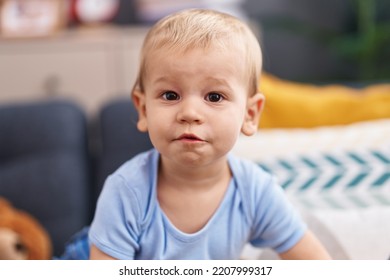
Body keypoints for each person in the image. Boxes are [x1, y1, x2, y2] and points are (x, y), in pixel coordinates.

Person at [89, 8, 331, 260]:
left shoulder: (255, 191)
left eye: (214, 97)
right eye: (170, 95)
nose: (190, 113)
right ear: (143, 109)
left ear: (249, 114)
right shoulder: (126, 192)